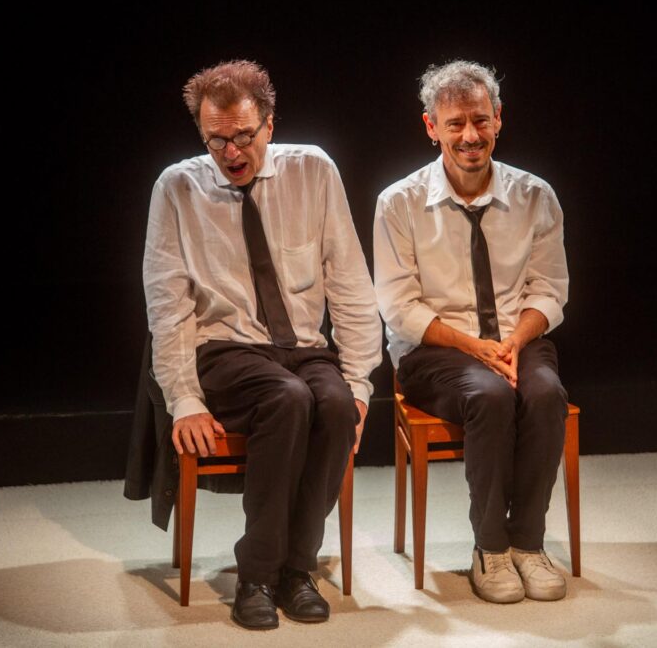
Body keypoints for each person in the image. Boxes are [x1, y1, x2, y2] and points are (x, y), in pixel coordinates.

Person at [142, 60, 381, 629]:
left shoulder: (314, 170)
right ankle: (257, 573)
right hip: (225, 349)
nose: (231, 151)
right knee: (287, 399)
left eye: (243, 135)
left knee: (333, 403)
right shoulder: (177, 187)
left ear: (269, 125)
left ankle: (297, 570)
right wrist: (184, 399)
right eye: (216, 139)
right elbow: (167, 303)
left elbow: (350, 281)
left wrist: (361, 382)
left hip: (301, 345)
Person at [373, 60, 570, 603]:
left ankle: (528, 540)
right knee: (488, 396)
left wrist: (512, 341)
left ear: (499, 121)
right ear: (430, 126)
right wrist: (474, 347)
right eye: (455, 123)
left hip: (516, 339)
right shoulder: (399, 203)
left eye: (480, 121)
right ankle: (491, 547)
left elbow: (549, 290)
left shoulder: (536, 197)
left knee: (546, 392)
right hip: (434, 351)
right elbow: (398, 306)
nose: (470, 136)